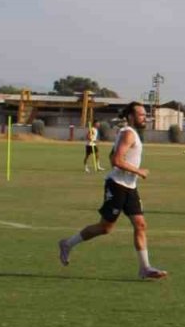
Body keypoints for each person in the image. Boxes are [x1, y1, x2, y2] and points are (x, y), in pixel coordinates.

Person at [58, 102, 167, 280]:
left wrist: (131, 173)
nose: (144, 118)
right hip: (117, 185)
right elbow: (116, 160)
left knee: (140, 224)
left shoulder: (129, 133)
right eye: (141, 114)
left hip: (130, 186)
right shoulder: (129, 134)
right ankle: (67, 244)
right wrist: (138, 171)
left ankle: (145, 268)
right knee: (105, 228)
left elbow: (111, 156)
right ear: (131, 116)